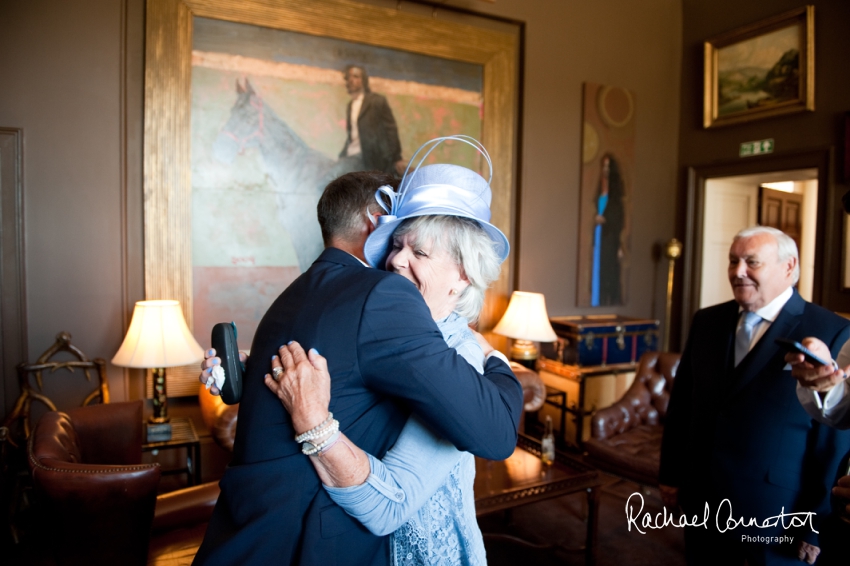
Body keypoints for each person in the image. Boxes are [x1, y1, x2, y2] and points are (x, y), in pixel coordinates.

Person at [193, 147, 523, 565]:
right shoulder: (377, 303)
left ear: (463, 275)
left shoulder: (301, 295)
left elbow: (492, 434)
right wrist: (251, 371)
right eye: (396, 243)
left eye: (419, 252)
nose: (397, 260)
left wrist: (492, 357)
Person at [658, 225, 850, 566]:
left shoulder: (830, 330)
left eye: (751, 261)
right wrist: (671, 476)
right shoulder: (707, 321)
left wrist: (816, 524)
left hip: (777, 516)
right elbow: (682, 407)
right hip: (702, 502)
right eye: (733, 261)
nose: (738, 271)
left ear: (788, 267)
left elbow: (833, 442)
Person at [339, 65, 405, 176]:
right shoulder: (350, 106)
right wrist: (343, 154)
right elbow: (352, 135)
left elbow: (390, 129)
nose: (351, 80)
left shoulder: (377, 101)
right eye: (348, 77)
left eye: (355, 76)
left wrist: (396, 157)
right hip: (352, 155)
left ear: (363, 80)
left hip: (372, 158)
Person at [591, 153, 625, 306]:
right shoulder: (599, 193)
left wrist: (605, 220)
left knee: (608, 272)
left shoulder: (616, 198)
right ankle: (597, 300)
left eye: (607, 166)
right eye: (603, 166)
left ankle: (608, 301)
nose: (605, 170)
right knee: (597, 270)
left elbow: (618, 221)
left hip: (610, 239)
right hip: (599, 236)